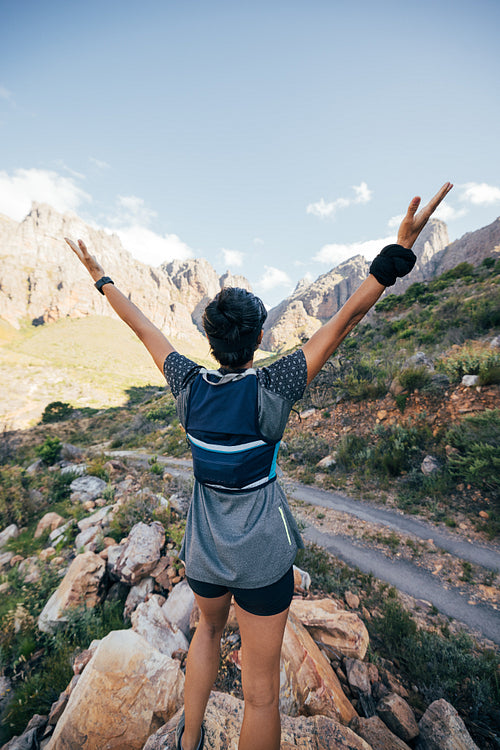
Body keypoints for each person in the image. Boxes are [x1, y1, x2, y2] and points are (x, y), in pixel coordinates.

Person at [65, 181, 452, 750]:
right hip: (263, 558)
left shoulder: (189, 385)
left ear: (209, 339)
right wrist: (395, 256)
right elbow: (344, 320)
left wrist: (102, 278)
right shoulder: (274, 385)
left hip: (204, 553)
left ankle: (189, 738)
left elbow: (142, 326)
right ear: (261, 337)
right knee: (262, 693)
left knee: (206, 634)